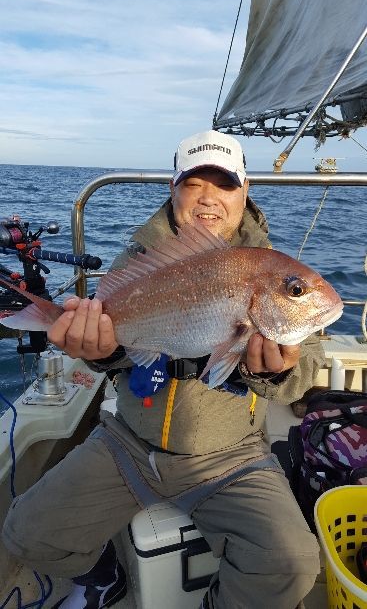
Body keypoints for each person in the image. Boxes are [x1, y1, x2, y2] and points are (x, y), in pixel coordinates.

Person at [2, 130, 323, 609]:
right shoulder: (139, 259)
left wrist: (274, 372)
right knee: (25, 532)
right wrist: (101, 351)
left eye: (224, 184)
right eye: (194, 184)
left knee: (292, 563)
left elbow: (306, 370)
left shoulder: (273, 270)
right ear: (173, 188)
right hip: (129, 440)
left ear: (245, 191)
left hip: (229, 456)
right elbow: (114, 349)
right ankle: (102, 573)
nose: (209, 198)